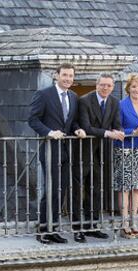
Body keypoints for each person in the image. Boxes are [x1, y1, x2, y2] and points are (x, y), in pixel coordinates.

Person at [28, 63, 86, 244]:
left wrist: (78, 130)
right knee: (51, 190)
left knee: (61, 191)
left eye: (71, 76)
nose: (68, 79)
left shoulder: (74, 97)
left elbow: (72, 122)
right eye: (65, 75)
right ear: (57, 75)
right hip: (50, 150)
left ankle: (53, 230)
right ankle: (43, 231)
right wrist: (49, 132)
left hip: (67, 151)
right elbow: (33, 119)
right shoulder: (44, 94)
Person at [75, 73, 125, 243]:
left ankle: (92, 226)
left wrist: (118, 131)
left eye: (109, 86)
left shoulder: (114, 102)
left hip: (102, 152)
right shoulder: (84, 101)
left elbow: (117, 123)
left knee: (96, 189)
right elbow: (86, 127)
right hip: (83, 150)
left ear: (112, 87)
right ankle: (77, 228)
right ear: (96, 85)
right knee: (77, 188)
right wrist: (109, 133)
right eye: (102, 85)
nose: (105, 88)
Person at [113, 73, 138, 238]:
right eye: (133, 86)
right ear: (128, 88)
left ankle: (134, 220)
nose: (136, 89)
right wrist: (133, 132)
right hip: (124, 150)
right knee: (124, 187)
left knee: (137, 187)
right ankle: (124, 223)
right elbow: (117, 128)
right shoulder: (121, 105)